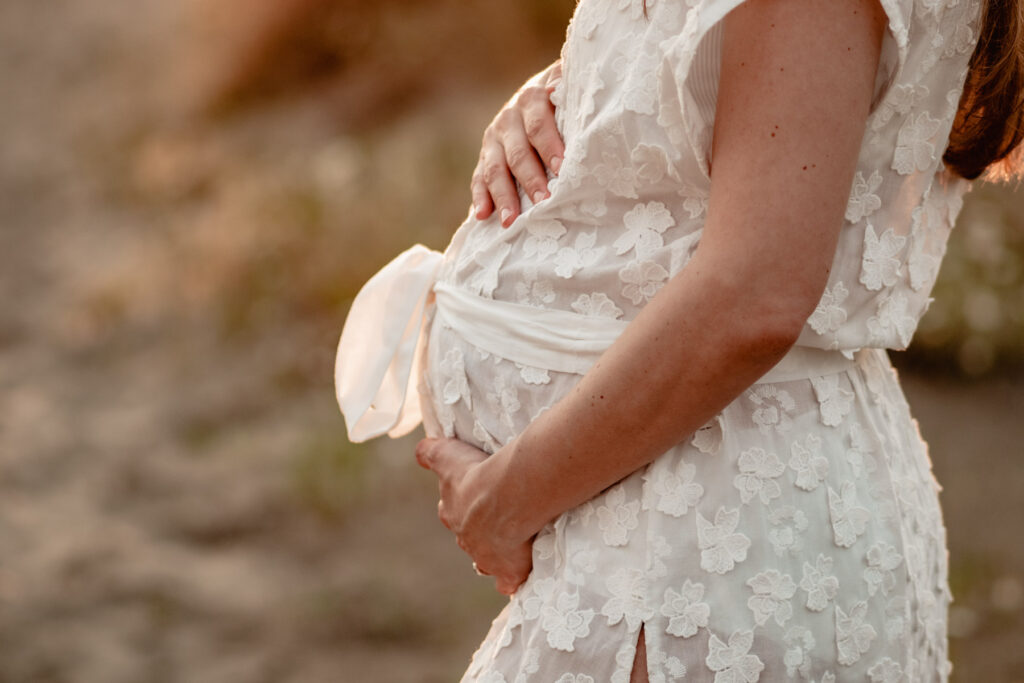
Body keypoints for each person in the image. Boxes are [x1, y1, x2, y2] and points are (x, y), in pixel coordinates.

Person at [334, 0, 1023, 679]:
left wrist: (505, 499)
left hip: (699, 545)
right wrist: (564, 93)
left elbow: (758, 289)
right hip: (673, 514)